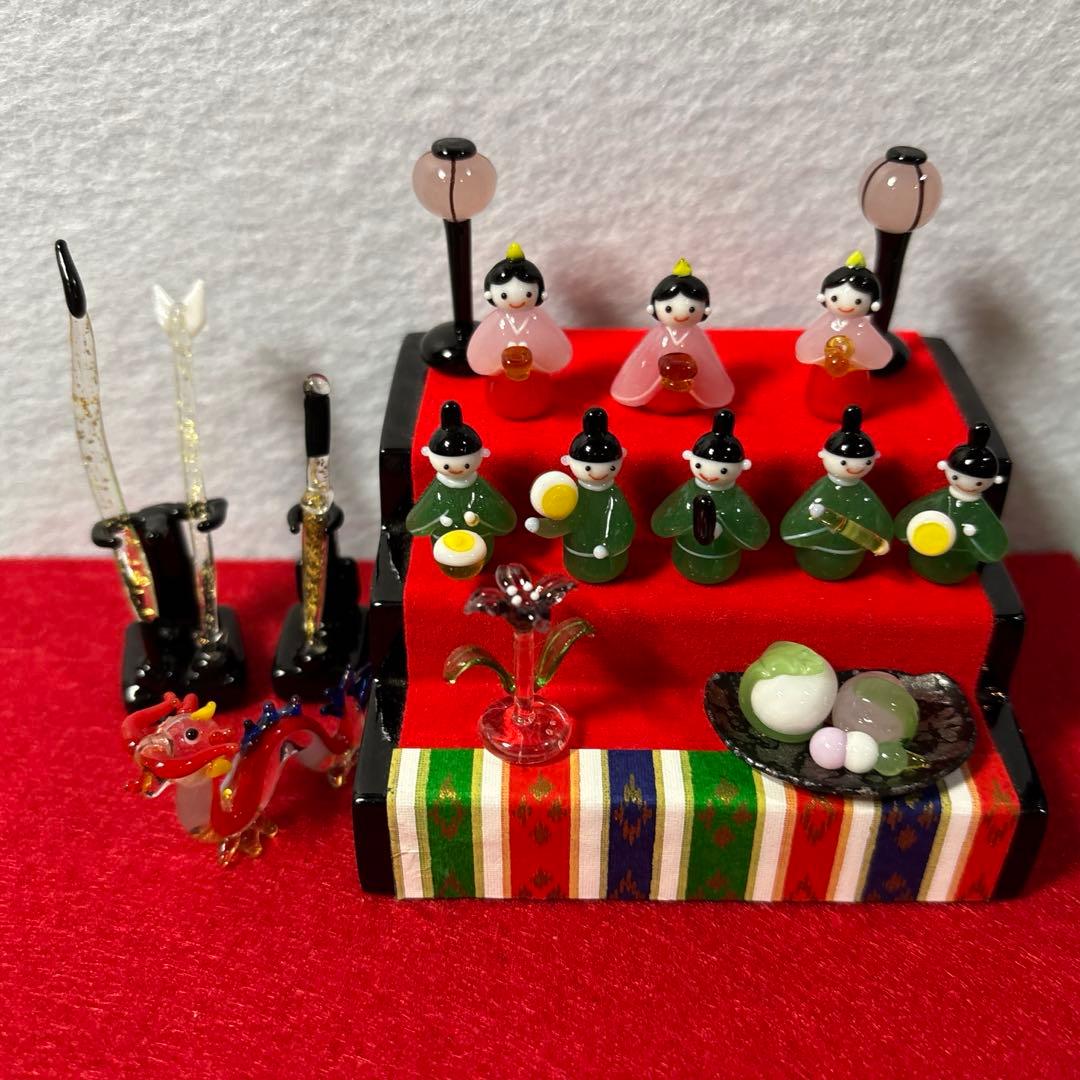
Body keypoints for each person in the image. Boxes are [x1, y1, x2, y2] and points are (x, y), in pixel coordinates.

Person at [651, 410, 769, 583]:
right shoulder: (688, 491)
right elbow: (660, 524)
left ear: (742, 467)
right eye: (699, 465)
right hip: (686, 555)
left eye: (723, 470)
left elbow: (758, 536)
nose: (709, 475)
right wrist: (690, 517)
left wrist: (724, 521)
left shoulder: (736, 498)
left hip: (723, 561)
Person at [780, 405, 891, 580]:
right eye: (844, 463)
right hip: (815, 555)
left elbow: (883, 526)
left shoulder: (864, 495)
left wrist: (878, 536)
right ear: (824, 456)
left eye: (866, 462)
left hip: (850, 556)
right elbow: (790, 529)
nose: (856, 468)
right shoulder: (822, 491)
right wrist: (819, 525)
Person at [525, 408, 635, 583]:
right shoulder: (573, 494)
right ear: (568, 462)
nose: (598, 474)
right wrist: (541, 526)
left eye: (611, 467)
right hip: (577, 556)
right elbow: (565, 521)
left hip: (610, 560)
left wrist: (609, 546)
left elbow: (623, 523)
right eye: (588, 468)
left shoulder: (613, 496)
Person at [406, 401, 516, 573]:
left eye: (466, 465)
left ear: (481, 455)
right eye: (447, 466)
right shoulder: (438, 491)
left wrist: (478, 518)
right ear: (429, 455)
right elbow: (415, 525)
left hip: (481, 548)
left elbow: (506, 523)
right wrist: (440, 518)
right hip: (444, 547)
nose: (456, 470)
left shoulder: (479, 489)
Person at [610, 259, 733, 412]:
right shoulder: (658, 335)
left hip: (691, 388)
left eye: (692, 309)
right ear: (653, 308)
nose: (680, 315)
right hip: (656, 390)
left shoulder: (696, 337)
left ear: (705, 310)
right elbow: (645, 358)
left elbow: (706, 360)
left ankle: (693, 400)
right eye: (668, 309)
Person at [466, 243, 571, 419]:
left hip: (535, 379)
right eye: (504, 295)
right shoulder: (495, 321)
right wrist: (498, 362)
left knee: (535, 393)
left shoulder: (538, 319)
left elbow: (560, 352)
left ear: (539, 293)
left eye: (528, 294)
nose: (516, 301)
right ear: (490, 294)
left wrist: (535, 358)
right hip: (501, 380)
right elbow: (478, 356)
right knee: (504, 393)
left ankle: (535, 403)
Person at [894, 423, 1008, 584]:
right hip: (924, 558)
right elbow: (903, 525)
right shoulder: (938, 500)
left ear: (993, 481)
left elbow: (995, 549)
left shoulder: (979, 511)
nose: (967, 485)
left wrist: (976, 533)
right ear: (946, 469)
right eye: (956, 477)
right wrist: (910, 530)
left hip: (958, 566)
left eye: (978, 483)